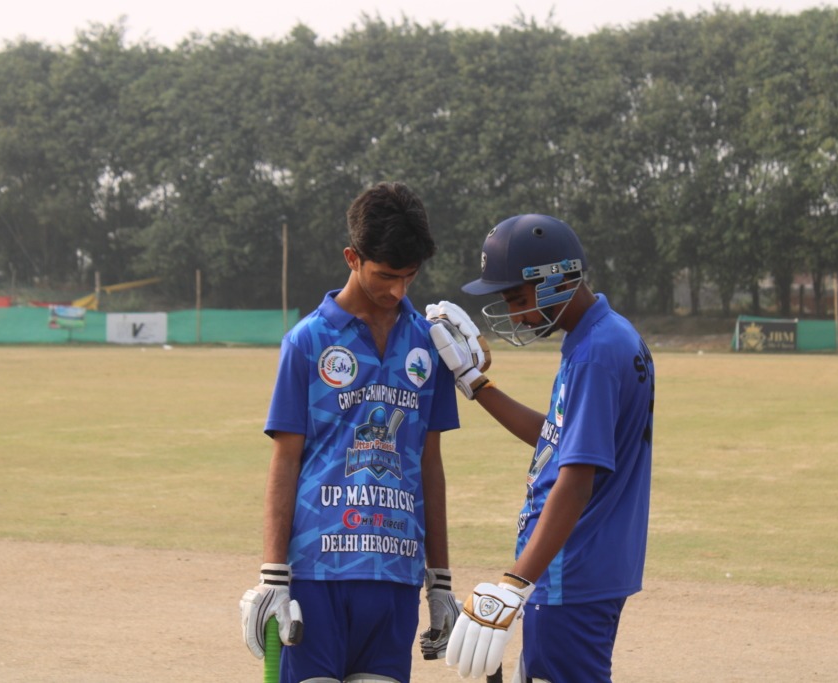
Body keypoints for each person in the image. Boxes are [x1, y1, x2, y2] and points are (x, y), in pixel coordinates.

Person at [239, 181, 463, 683]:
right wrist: (274, 575)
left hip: (396, 576)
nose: (399, 291)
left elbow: (431, 465)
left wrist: (440, 581)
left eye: (410, 276)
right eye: (386, 275)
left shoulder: (430, 345)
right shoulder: (307, 341)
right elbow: (285, 461)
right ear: (352, 257)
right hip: (317, 572)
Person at [426, 214, 655, 682]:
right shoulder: (601, 335)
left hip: (572, 567)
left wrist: (517, 580)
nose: (513, 313)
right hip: (583, 565)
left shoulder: (595, 352)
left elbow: (575, 481)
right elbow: (556, 435)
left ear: (555, 279)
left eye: (517, 297)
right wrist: (475, 384)